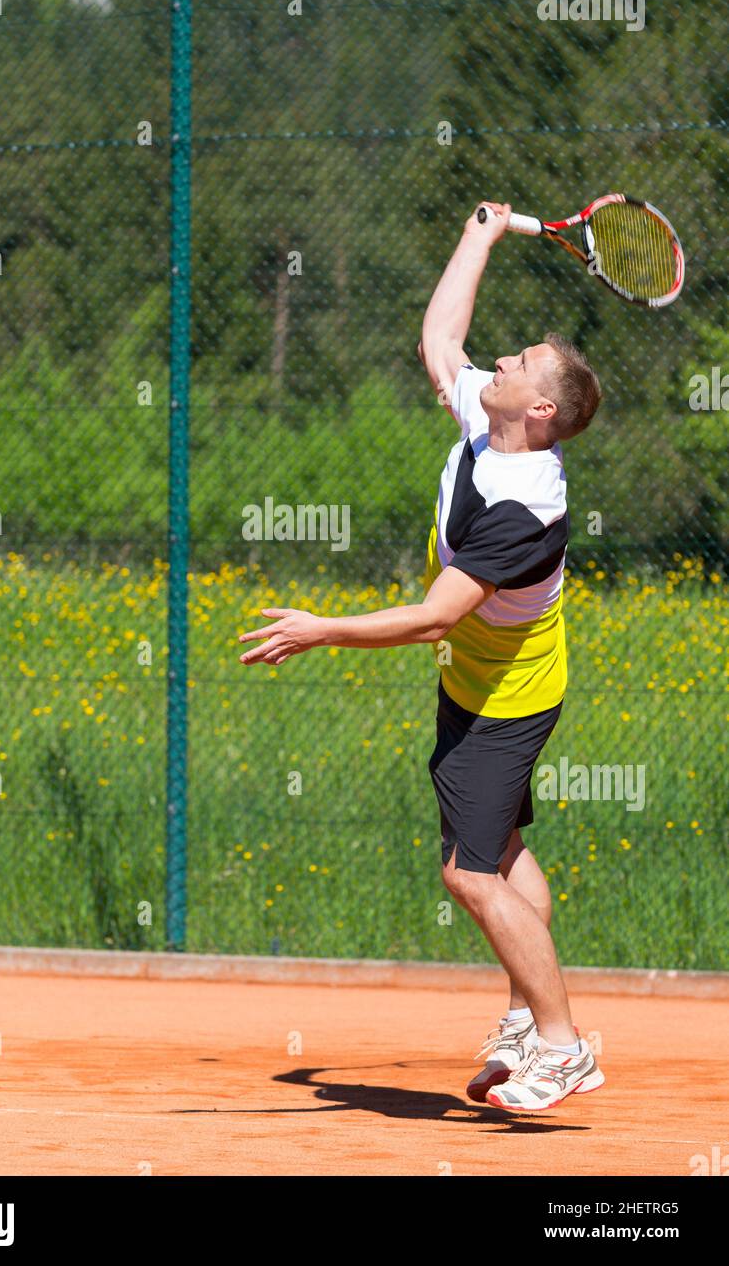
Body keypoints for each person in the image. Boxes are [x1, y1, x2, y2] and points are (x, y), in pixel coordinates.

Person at [238, 202, 604, 1112]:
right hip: (485, 682)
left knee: (467, 871)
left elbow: (436, 618)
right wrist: (480, 233)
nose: (499, 361)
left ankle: (563, 1046)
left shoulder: (526, 509)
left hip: (505, 698)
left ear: (542, 409)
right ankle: (528, 1021)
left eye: (517, 363)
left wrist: (321, 628)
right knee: (504, 851)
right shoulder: (491, 420)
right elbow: (440, 338)